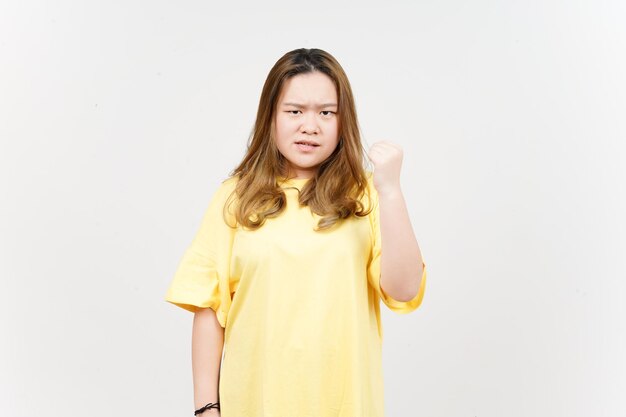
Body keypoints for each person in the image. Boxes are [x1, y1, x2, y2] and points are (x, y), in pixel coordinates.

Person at [164, 47, 427, 417]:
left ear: (343, 121)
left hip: (346, 404)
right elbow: (209, 308)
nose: (310, 125)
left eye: (326, 112)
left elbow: (404, 289)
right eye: (295, 111)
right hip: (254, 404)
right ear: (271, 116)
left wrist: (391, 191)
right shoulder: (235, 197)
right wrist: (207, 408)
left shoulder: (367, 194)